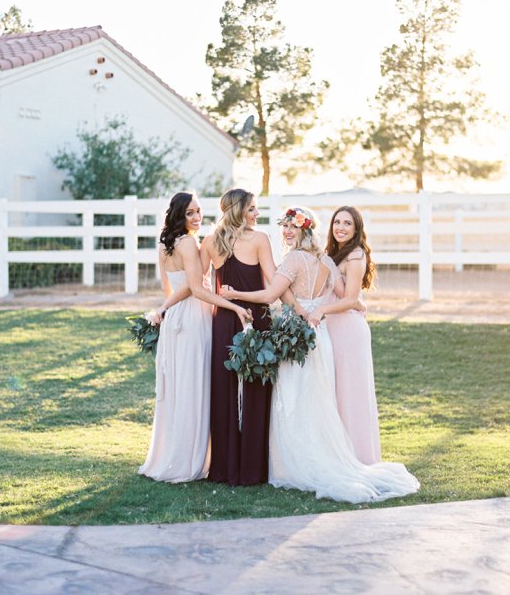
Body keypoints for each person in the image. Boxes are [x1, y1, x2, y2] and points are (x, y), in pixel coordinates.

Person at [221, 207, 419, 503]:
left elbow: (268, 295)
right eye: (284, 226)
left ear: (303, 229)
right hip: (319, 336)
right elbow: (344, 294)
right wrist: (355, 305)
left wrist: (233, 293)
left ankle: (294, 467)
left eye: (292, 226)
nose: (287, 231)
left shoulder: (291, 259)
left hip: (297, 335)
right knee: (318, 401)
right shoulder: (325, 259)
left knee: (295, 400)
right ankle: (322, 457)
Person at [139, 192, 250, 483]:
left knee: (180, 385)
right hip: (193, 316)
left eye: (199, 212)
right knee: (194, 386)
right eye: (190, 213)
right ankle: (187, 461)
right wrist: (234, 305)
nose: (197, 218)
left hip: (175, 316)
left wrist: (165, 310)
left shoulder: (165, 244)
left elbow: (169, 289)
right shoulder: (188, 242)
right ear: (178, 215)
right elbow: (196, 289)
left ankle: (176, 455)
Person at [200, 188, 278, 486]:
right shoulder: (258, 240)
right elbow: (274, 280)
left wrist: (229, 303)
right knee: (254, 388)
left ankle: (225, 468)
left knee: (226, 389)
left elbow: (206, 288)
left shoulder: (210, 242)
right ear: (237, 210)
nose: (257, 214)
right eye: (252, 209)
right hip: (255, 317)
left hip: (226, 318)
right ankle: (251, 470)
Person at [308, 206, 382, 464]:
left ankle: (359, 457)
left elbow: (350, 299)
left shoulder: (355, 256)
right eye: (337, 222)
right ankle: (337, 455)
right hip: (333, 328)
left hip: (348, 330)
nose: (340, 227)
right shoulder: (335, 253)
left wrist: (322, 309)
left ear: (356, 228)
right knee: (335, 391)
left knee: (351, 394)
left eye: (347, 223)